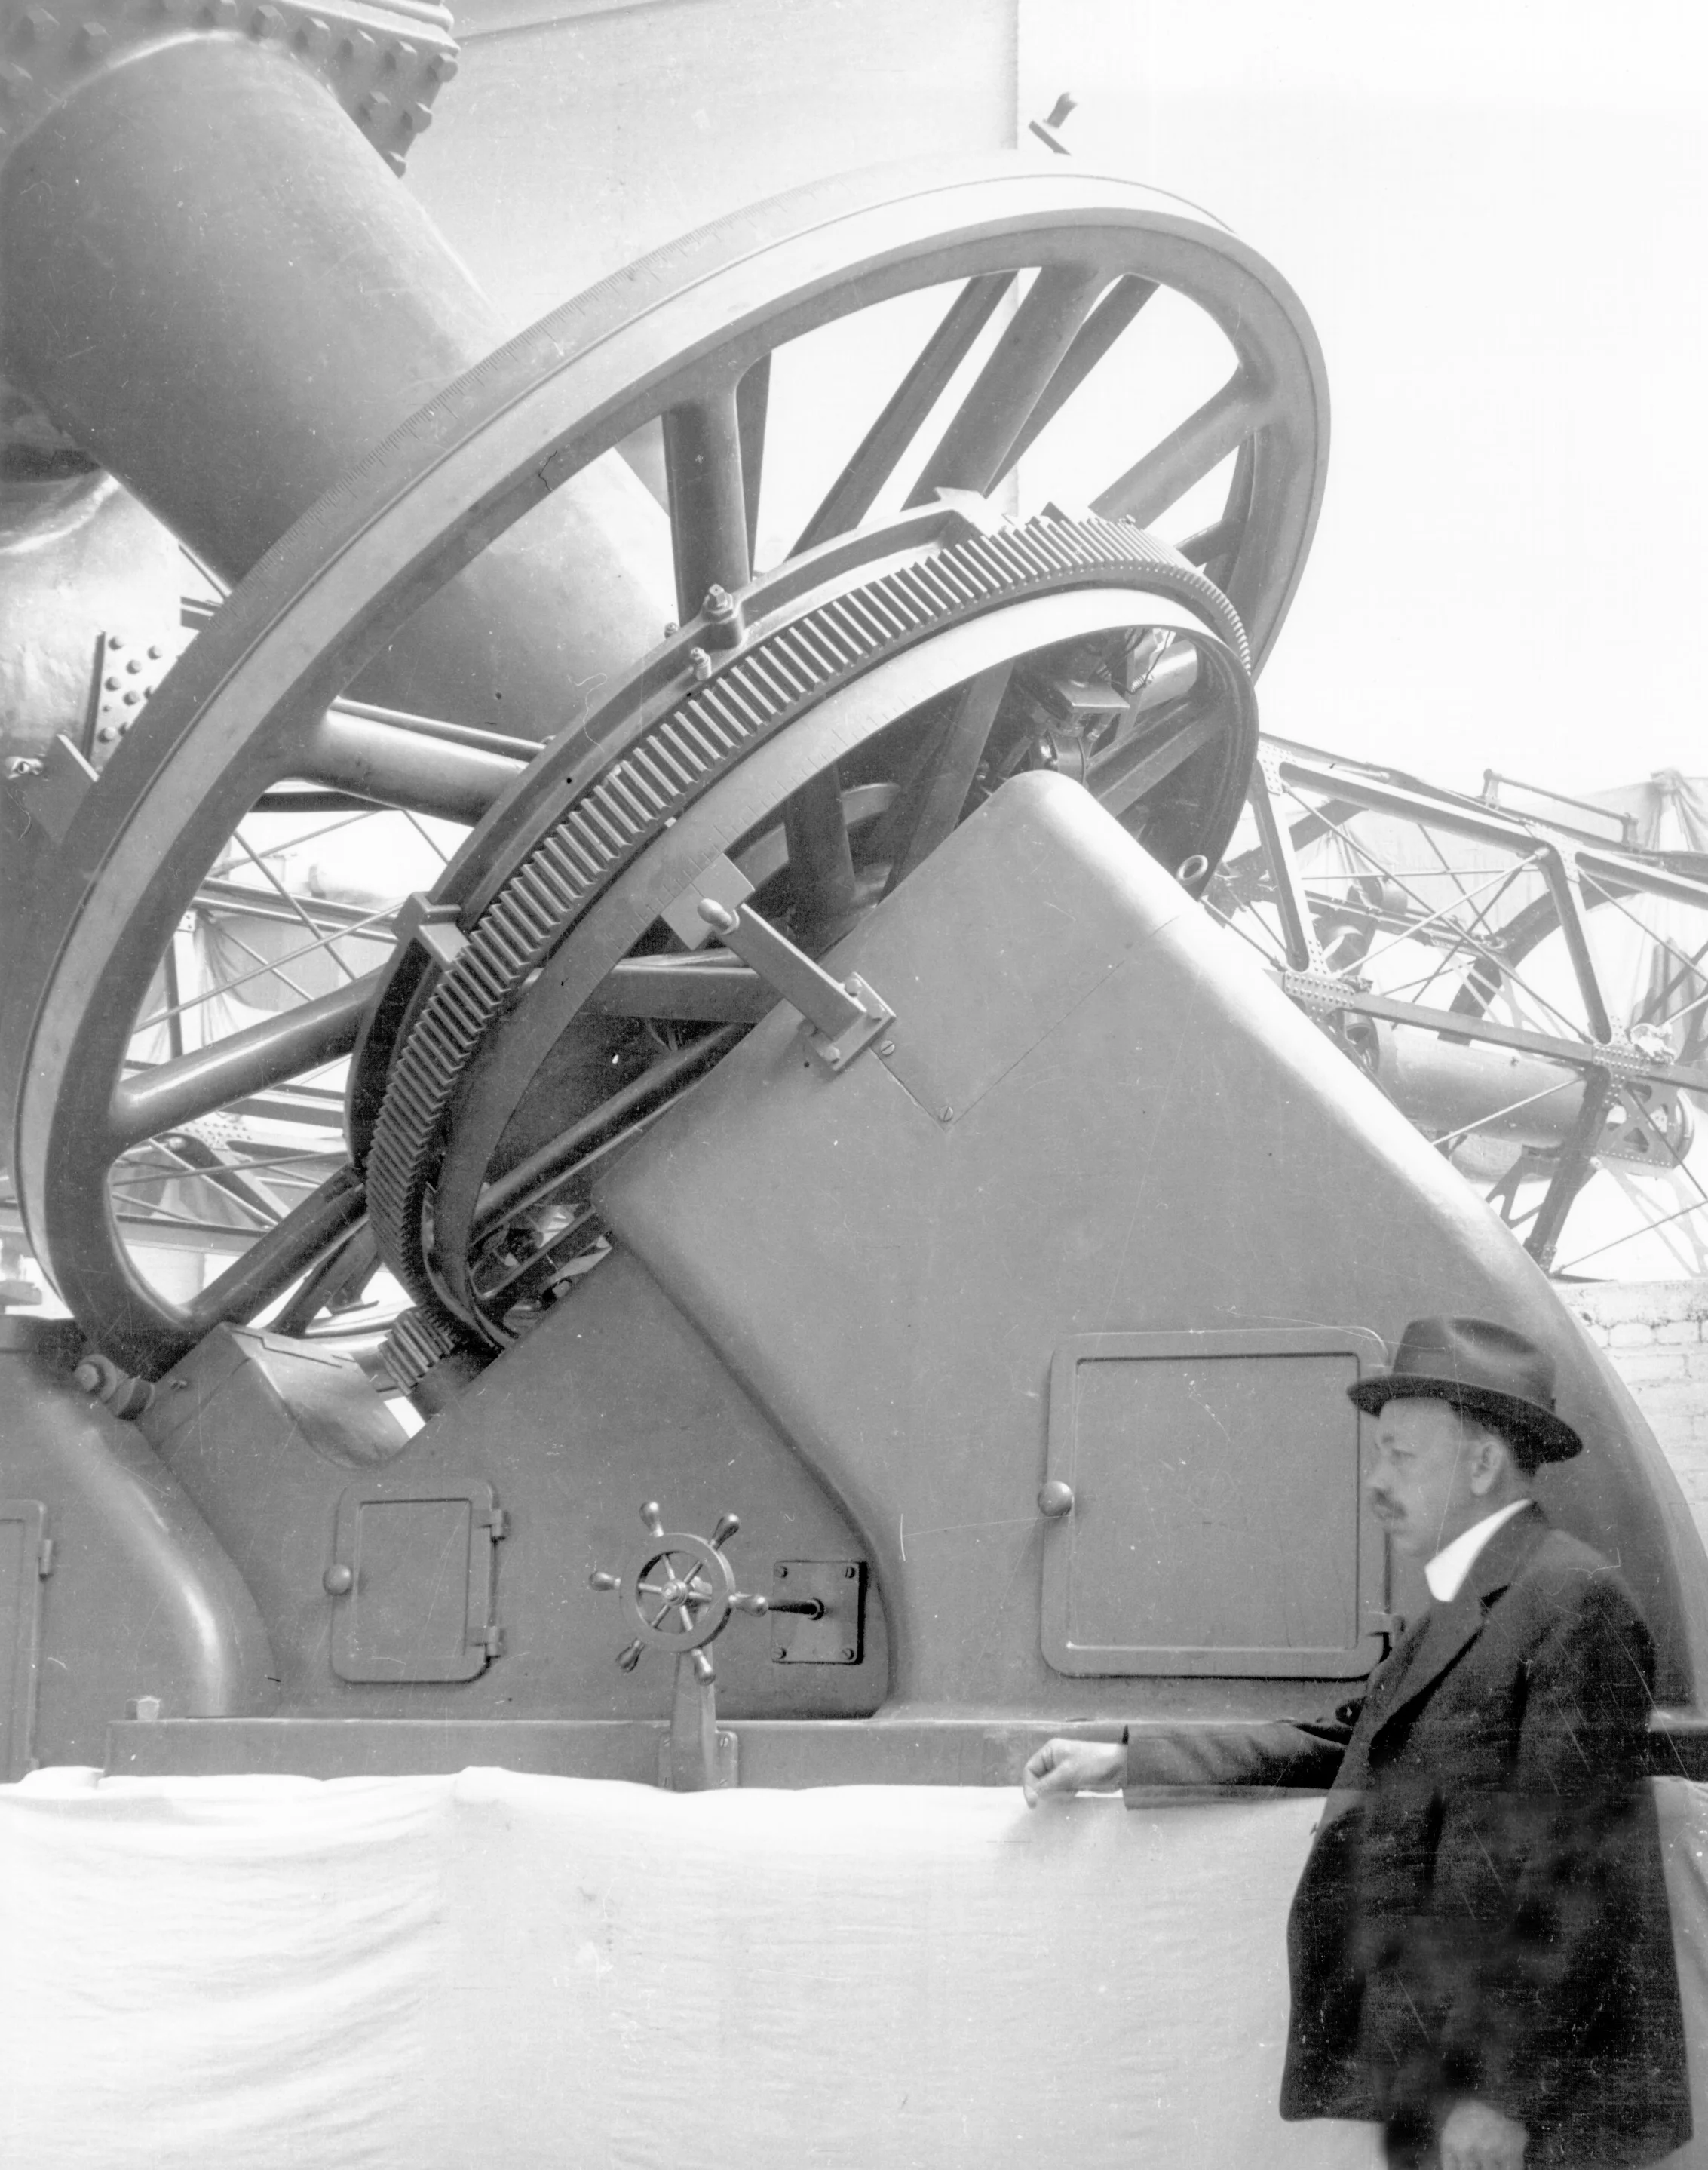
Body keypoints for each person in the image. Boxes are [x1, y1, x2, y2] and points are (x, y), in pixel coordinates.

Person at [1023, 1316, 1691, 2170]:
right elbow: (1343, 1739)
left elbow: (1574, 1878)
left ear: (1483, 1463)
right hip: (1450, 2087)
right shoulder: (1468, 1607)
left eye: (1401, 1456)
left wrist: (1501, 2094)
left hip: (1529, 2112)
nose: (1376, 1481)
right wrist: (1130, 1756)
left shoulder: (1572, 1602)